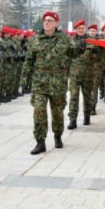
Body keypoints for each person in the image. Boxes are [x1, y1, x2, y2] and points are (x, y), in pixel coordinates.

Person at [21, 11, 81, 155]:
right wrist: (24, 81)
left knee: (57, 111)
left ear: (56, 23)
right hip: (39, 83)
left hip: (57, 82)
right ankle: (40, 142)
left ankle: (58, 135)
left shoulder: (64, 39)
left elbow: (73, 53)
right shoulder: (36, 40)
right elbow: (29, 61)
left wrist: (81, 47)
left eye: (50, 20)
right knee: (39, 111)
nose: (46, 22)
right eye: (45, 20)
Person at [68, 20, 99, 129]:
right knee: (73, 97)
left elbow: (99, 55)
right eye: (78, 28)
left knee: (87, 97)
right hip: (74, 75)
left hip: (88, 74)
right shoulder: (70, 41)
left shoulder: (92, 41)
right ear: (75, 30)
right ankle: (73, 120)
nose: (81, 30)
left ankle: (86, 116)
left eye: (82, 28)